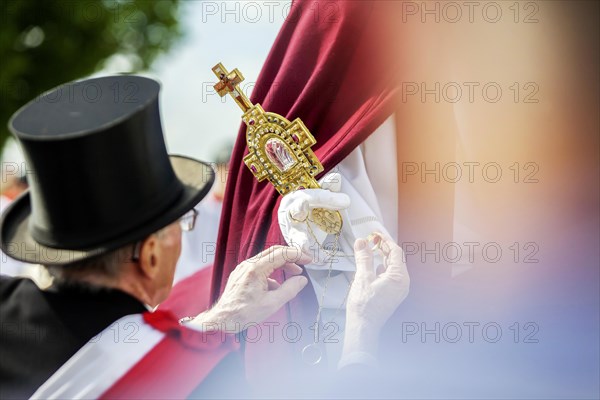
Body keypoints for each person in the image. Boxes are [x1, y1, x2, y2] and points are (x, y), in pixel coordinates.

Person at [0, 75, 409, 399]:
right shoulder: (203, 386)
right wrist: (360, 335)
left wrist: (215, 323)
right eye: (180, 226)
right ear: (150, 256)